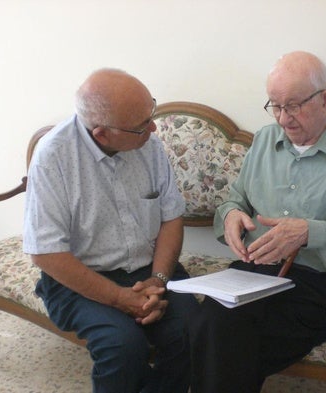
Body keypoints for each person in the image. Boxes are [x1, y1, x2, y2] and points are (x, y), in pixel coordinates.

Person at [189, 51, 326, 392]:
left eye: (293, 105)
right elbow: (237, 201)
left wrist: (309, 232)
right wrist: (232, 215)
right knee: (213, 323)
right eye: (275, 106)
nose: (283, 119)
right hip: (254, 273)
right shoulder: (265, 141)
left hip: (320, 286)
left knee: (226, 337)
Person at [23, 68, 199, 393]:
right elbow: (46, 252)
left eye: (152, 114)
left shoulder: (150, 146)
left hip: (149, 270)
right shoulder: (53, 158)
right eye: (143, 125)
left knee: (193, 330)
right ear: (102, 134)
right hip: (79, 279)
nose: (154, 128)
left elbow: (171, 217)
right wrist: (120, 299)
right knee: (122, 345)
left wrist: (159, 280)